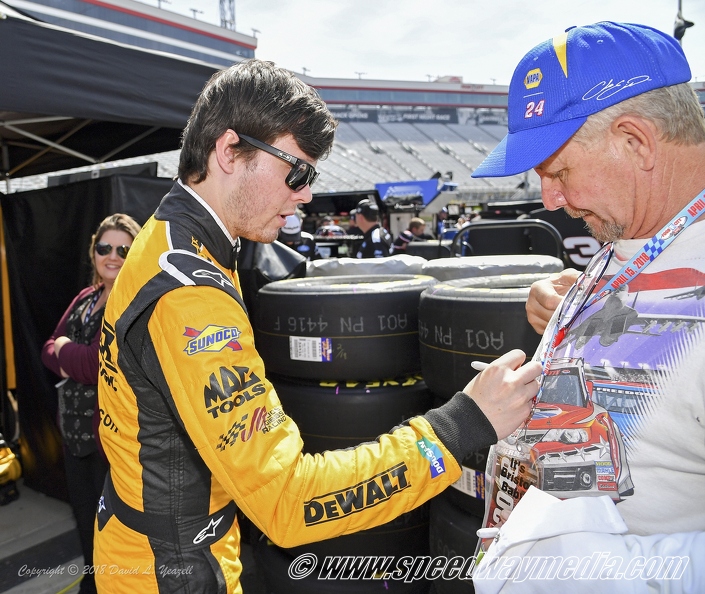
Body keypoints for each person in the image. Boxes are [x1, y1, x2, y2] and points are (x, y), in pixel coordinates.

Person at [93, 59, 540, 593]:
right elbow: (288, 501)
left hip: (147, 543)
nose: (305, 194)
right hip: (172, 569)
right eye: (297, 172)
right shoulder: (191, 295)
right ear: (229, 151)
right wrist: (461, 425)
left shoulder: (172, 236)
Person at [470, 22, 705, 593]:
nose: (550, 200)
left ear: (636, 142)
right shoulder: (632, 231)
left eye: (559, 172)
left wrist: (607, 571)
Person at [41, 213, 141, 594]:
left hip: (109, 442)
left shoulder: (130, 302)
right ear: (93, 251)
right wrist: (68, 353)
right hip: (74, 435)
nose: (112, 256)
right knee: (84, 520)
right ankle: (92, 582)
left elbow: (96, 365)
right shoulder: (84, 297)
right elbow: (47, 349)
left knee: (113, 528)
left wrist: (66, 350)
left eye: (123, 250)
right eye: (104, 247)